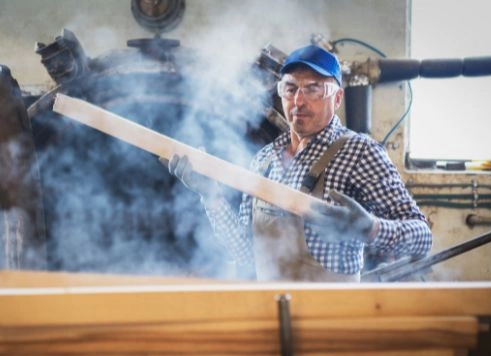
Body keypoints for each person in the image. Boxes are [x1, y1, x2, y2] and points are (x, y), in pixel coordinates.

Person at [167, 44, 432, 282]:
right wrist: (210, 195)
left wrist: (372, 228)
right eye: (290, 88)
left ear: (337, 98)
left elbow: (423, 238)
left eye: (313, 89)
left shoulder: (360, 152)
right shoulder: (264, 160)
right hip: (270, 313)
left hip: (332, 320)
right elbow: (244, 253)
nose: (298, 101)